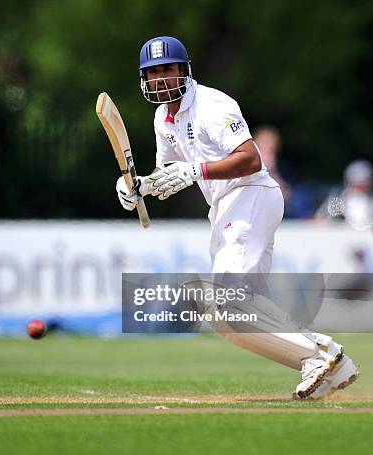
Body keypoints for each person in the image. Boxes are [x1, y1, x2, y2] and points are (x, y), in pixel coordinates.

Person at [115, 36, 359, 399]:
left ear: (184, 70)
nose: (161, 78)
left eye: (168, 69)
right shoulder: (161, 118)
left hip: (251, 195)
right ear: (144, 80)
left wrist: (194, 170)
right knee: (231, 315)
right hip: (225, 208)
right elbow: (167, 172)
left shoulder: (212, 105)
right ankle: (326, 360)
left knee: (227, 301)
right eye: (153, 73)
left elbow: (251, 159)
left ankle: (318, 357)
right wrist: (141, 186)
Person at [316, 159, 372, 231]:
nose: (361, 187)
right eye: (357, 183)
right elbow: (324, 219)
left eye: (364, 182)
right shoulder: (339, 198)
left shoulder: (371, 199)